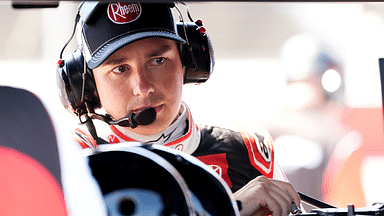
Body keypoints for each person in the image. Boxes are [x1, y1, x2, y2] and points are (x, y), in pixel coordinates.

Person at [57, 2, 301, 216]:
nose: (142, 87)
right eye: (120, 69)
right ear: (86, 87)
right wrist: (230, 208)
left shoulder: (246, 147)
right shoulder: (71, 160)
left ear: (188, 61)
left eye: (158, 61)